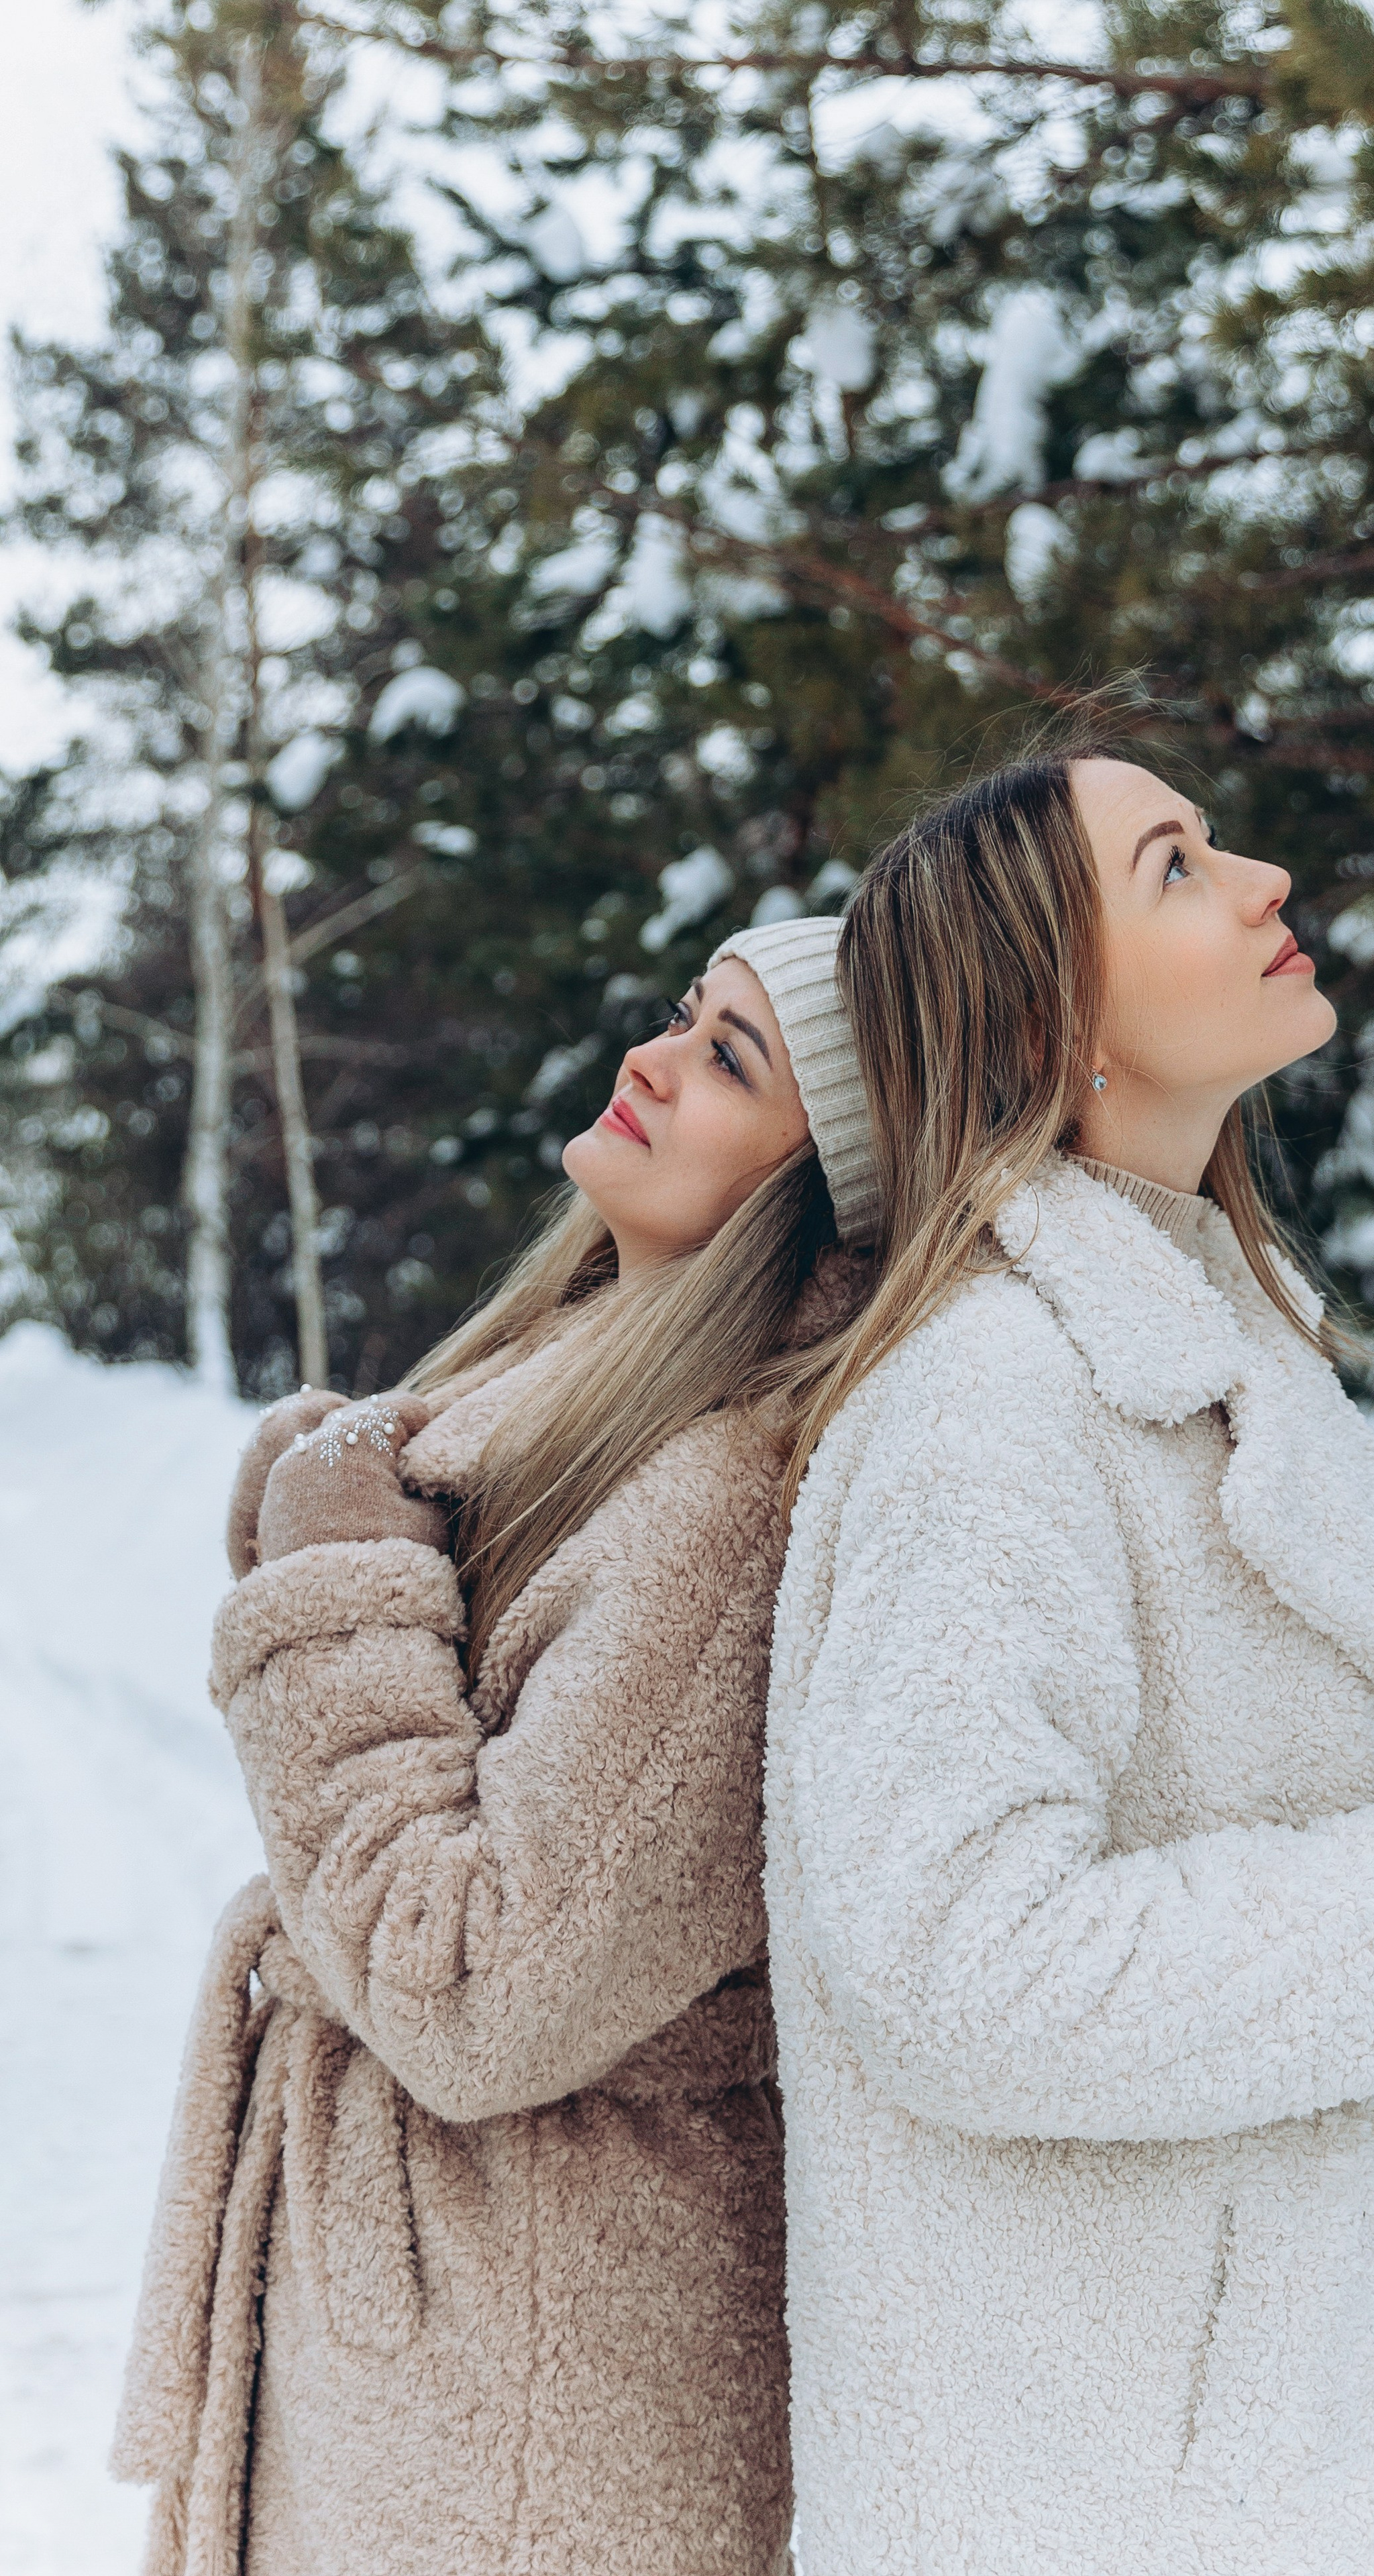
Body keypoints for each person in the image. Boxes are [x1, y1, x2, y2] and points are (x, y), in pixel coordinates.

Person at [763, 743, 1374, 2575]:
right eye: (1174, 866)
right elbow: (953, 1968)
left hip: (1318, 2424)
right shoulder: (988, 1400)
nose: (1261, 879)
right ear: (1051, 1020)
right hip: (1142, 2486)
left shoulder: (1216, 1346)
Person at [112, 917, 878, 2576]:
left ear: (824, 1184)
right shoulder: (586, 1382)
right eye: (684, 1013)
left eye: (729, 1058)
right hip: (450, 2341)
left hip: (531, 2391)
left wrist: (337, 1581)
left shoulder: (726, 1505)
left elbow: (476, 1995)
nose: (650, 1059)